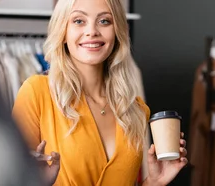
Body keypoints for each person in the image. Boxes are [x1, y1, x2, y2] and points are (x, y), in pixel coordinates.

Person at [12, 0, 188, 185]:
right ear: (63, 31)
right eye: (79, 21)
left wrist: (155, 181)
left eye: (104, 21)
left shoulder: (135, 110)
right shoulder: (37, 93)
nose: (92, 31)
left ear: (117, 32)